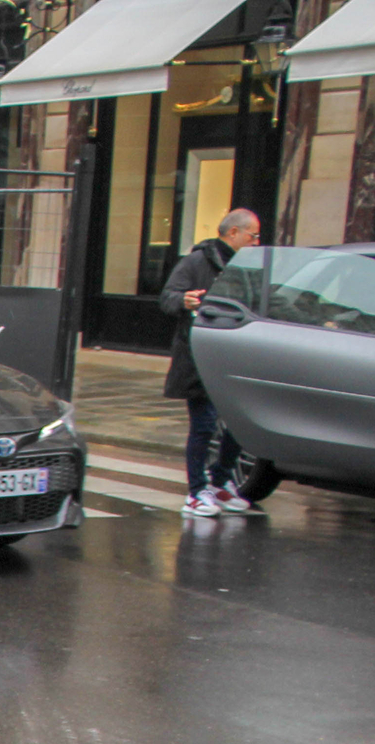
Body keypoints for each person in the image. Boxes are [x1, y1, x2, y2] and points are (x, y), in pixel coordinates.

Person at [162, 207, 263, 518]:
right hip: (199, 357)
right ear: (233, 233)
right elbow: (167, 297)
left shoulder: (248, 267)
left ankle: (220, 481)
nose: (257, 242)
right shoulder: (196, 262)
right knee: (204, 425)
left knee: (237, 424)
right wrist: (184, 300)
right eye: (252, 236)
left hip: (234, 357)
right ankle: (195, 493)